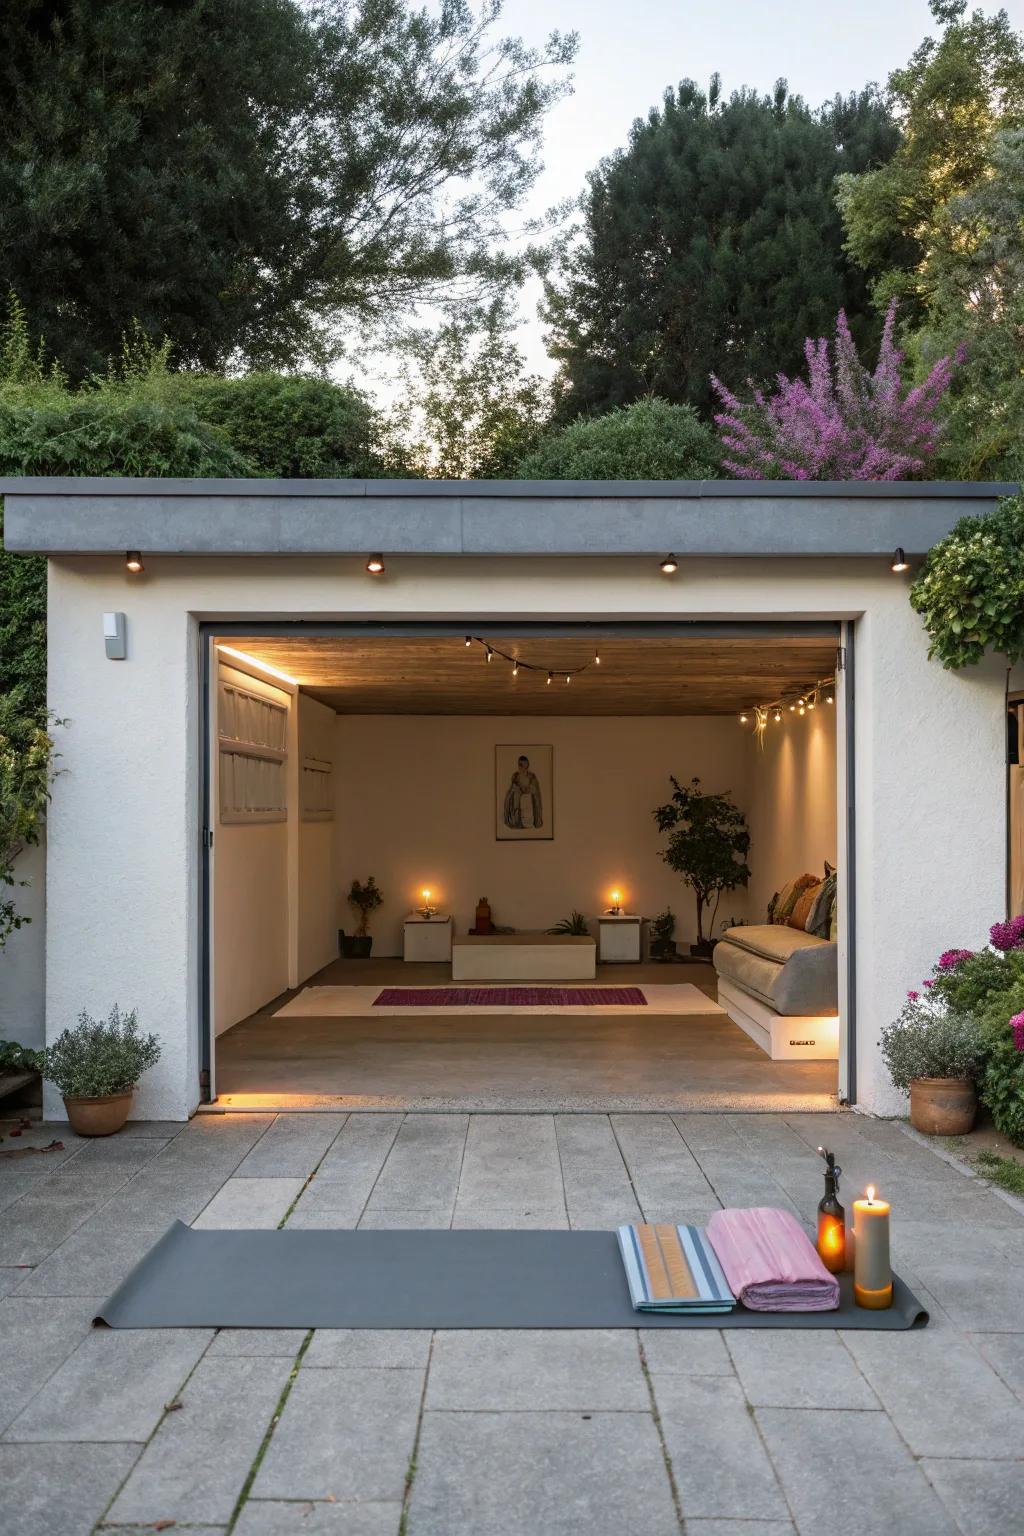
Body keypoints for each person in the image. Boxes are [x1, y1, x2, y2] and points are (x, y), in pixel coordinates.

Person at [503, 754, 543, 829]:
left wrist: (524, 790)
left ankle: (533, 821)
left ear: (527, 765)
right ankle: (515, 821)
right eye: (519, 765)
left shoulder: (532, 776)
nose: (520, 767)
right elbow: (513, 787)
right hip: (518, 797)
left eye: (522, 765)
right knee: (512, 795)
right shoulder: (515, 775)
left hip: (528, 798)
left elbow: (534, 789)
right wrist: (517, 789)